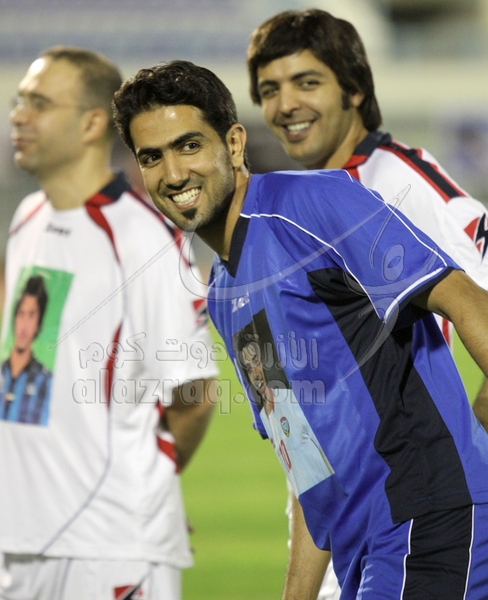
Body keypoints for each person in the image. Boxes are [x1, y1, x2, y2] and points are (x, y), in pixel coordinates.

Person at [113, 59, 488, 600]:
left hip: (432, 524)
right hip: (369, 555)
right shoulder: (222, 293)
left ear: (234, 144)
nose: (173, 174)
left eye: (189, 145)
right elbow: (306, 459)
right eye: (152, 157)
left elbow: (466, 300)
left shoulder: (311, 205)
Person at [246, 10, 488, 597]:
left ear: (354, 88)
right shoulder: (294, 208)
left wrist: (469, 461)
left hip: (423, 525)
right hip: (353, 527)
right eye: (270, 89)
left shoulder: (397, 183)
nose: (286, 104)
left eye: (307, 82)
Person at [0, 47, 218, 600]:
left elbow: (194, 394)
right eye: (20, 101)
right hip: (22, 540)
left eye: (39, 103)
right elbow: (28, 376)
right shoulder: (27, 219)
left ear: (92, 123)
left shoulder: (141, 236)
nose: (18, 115)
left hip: (106, 547)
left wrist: (146, 491)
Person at [0, 275, 52, 426]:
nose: (24, 325)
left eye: (31, 316)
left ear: (38, 324)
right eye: (21, 314)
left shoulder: (45, 382)